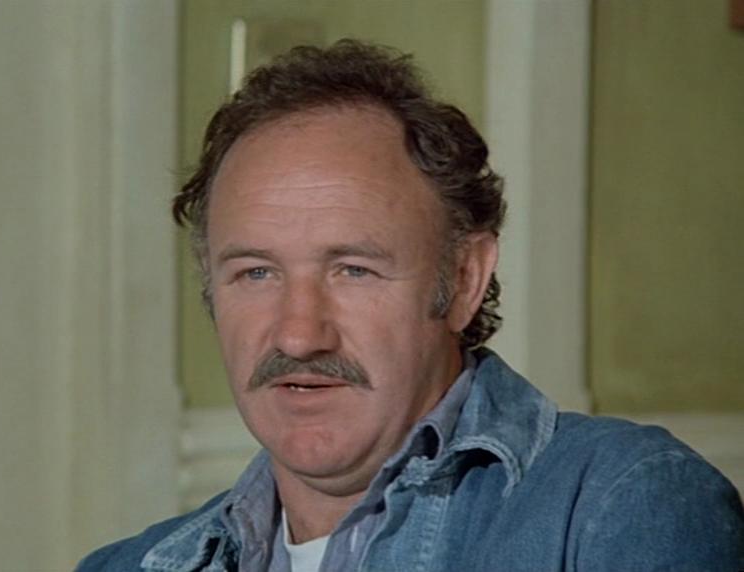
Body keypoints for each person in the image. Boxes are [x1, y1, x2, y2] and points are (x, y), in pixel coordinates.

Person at [78, 39, 744, 571]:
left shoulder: (620, 509)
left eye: (353, 270)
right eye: (256, 272)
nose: (299, 335)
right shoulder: (128, 565)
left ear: (464, 279)